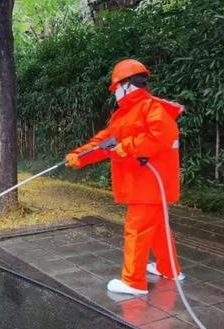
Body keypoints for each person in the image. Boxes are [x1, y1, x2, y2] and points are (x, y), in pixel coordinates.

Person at [65, 59, 185, 295]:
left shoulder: (153, 108)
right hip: (143, 185)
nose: (116, 93)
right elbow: (103, 142)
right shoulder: (124, 114)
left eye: (116, 88)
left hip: (149, 184)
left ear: (127, 85)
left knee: (137, 230)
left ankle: (133, 282)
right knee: (158, 229)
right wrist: (79, 156)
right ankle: (169, 269)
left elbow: (163, 135)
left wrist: (129, 146)